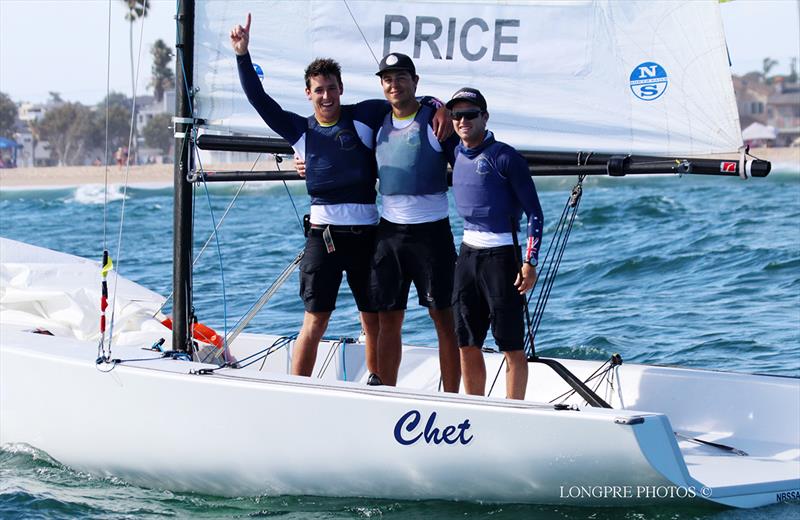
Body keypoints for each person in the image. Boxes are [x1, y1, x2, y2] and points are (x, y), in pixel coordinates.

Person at [230, 15, 448, 382]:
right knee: (315, 319)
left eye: (332, 88)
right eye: (319, 90)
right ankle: (298, 388)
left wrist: (439, 104)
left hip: (367, 236)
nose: (326, 96)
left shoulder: (364, 115)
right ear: (308, 94)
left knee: (374, 317)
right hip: (323, 238)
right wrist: (242, 55)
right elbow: (259, 101)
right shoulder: (300, 131)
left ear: (341, 88)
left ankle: (378, 386)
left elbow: (407, 98)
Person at [372, 53, 461, 392]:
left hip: (431, 235)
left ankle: (452, 395)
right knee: (387, 320)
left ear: (415, 81)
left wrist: (443, 106)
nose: (394, 84)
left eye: (401, 77)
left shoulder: (437, 121)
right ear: (382, 85)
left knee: (443, 318)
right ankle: (387, 393)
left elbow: (467, 159)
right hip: (389, 234)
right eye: (388, 79)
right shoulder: (375, 117)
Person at [446, 87, 543, 400]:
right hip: (467, 256)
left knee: (511, 345)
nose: (463, 120)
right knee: (466, 341)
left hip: (502, 257)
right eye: (457, 115)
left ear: (484, 117)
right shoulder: (455, 151)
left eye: (470, 114)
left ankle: (513, 411)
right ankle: (475, 407)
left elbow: (535, 215)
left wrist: (530, 262)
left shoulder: (506, 157)